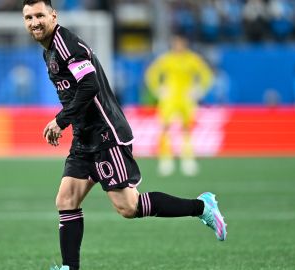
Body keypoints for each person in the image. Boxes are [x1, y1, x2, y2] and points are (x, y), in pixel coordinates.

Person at [21, 1, 227, 269]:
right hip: (85, 138)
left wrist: (61, 121)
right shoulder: (48, 51)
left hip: (106, 135)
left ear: (53, 15)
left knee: (129, 207)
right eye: (28, 17)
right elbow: (73, 92)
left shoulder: (65, 45)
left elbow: (89, 85)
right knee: (66, 199)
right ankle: (69, 267)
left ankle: (202, 207)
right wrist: (70, 123)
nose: (34, 22)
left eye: (39, 15)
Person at [145, 32, 214, 177]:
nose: (178, 46)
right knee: (165, 128)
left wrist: (199, 90)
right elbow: (151, 74)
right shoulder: (167, 59)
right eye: (176, 43)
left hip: (186, 99)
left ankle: (187, 159)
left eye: (180, 43)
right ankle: (166, 160)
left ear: (185, 44)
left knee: (187, 129)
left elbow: (206, 75)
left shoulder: (192, 59)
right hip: (169, 99)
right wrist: (158, 89)